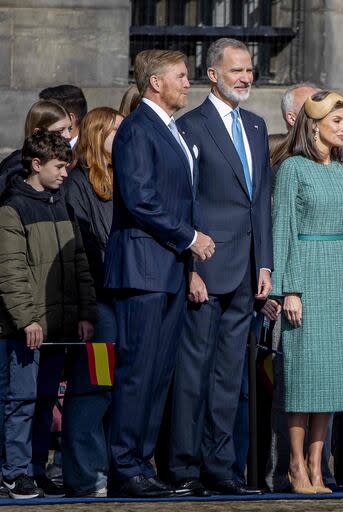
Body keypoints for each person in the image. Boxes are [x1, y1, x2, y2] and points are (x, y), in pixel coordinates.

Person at [103, 49, 215, 498]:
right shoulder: (137, 129)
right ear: (155, 82)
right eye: (182, 76)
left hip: (168, 270)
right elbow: (140, 198)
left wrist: (186, 264)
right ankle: (125, 466)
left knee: (159, 373)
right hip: (142, 268)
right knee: (138, 372)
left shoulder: (171, 130)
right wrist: (190, 238)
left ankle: (141, 463)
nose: (188, 83)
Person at [169, 38, 272, 497]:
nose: (246, 78)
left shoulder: (255, 124)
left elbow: (260, 205)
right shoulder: (190, 126)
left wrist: (266, 264)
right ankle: (184, 466)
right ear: (212, 74)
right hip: (205, 269)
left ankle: (221, 467)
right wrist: (189, 266)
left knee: (230, 376)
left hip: (246, 273)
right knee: (193, 375)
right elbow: (183, 200)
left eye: (250, 70)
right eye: (237, 71)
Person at [270, 90, 343, 494]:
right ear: (314, 125)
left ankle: (317, 464)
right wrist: (289, 289)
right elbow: (283, 229)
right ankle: (294, 465)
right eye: (338, 122)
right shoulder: (293, 168)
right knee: (301, 377)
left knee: (330, 379)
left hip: (339, 281)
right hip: (306, 276)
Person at [0, 131, 96, 499]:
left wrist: (85, 313)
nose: (65, 174)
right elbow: (11, 271)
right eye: (58, 167)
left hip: (58, 327)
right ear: (36, 165)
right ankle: (15, 471)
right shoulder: (13, 209)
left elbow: (78, 263)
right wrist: (27, 319)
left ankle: (37, 467)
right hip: (27, 331)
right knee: (21, 402)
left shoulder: (61, 206)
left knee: (43, 402)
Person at [62, 107, 124, 497]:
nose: (125, 136)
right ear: (99, 135)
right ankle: (86, 475)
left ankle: (111, 469)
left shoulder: (124, 181)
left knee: (118, 391)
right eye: (117, 130)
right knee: (94, 389)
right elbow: (83, 248)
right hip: (100, 306)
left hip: (126, 301)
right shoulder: (79, 184)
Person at [0, 100, 72, 193]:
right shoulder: (16, 169)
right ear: (38, 133)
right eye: (59, 131)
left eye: (69, 129)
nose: (68, 136)